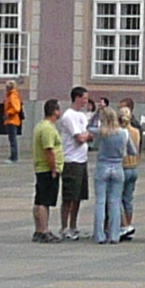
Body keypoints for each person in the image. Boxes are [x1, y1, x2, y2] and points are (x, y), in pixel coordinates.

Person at [91, 103, 137, 245]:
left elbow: (88, 130)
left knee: (100, 201)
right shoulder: (124, 133)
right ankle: (114, 235)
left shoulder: (102, 132)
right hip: (118, 167)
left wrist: (94, 115)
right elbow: (133, 151)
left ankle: (99, 235)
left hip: (103, 166)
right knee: (115, 202)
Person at [55, 86, 95, 239]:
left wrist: (87, 136)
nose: (86, 101)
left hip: (82, 159)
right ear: (77, 98)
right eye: (84, 98)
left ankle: (73, 225)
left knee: (78, 196)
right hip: (71, 160)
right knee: (69, 196)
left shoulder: (82, 116)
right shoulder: (69, 116)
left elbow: (89, 135)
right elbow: (79, 137)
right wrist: (86, 136)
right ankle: (64, 227)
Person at [29, 98, 64, 242]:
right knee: (45, 201)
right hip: (47, 168)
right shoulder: (48, 129)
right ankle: (44, 230)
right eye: (58, 109)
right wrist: (54, 168)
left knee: (39, 200)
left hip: (40, 167)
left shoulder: (40, 126)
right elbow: (49, 150)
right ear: (55, 111)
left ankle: (38, 230)